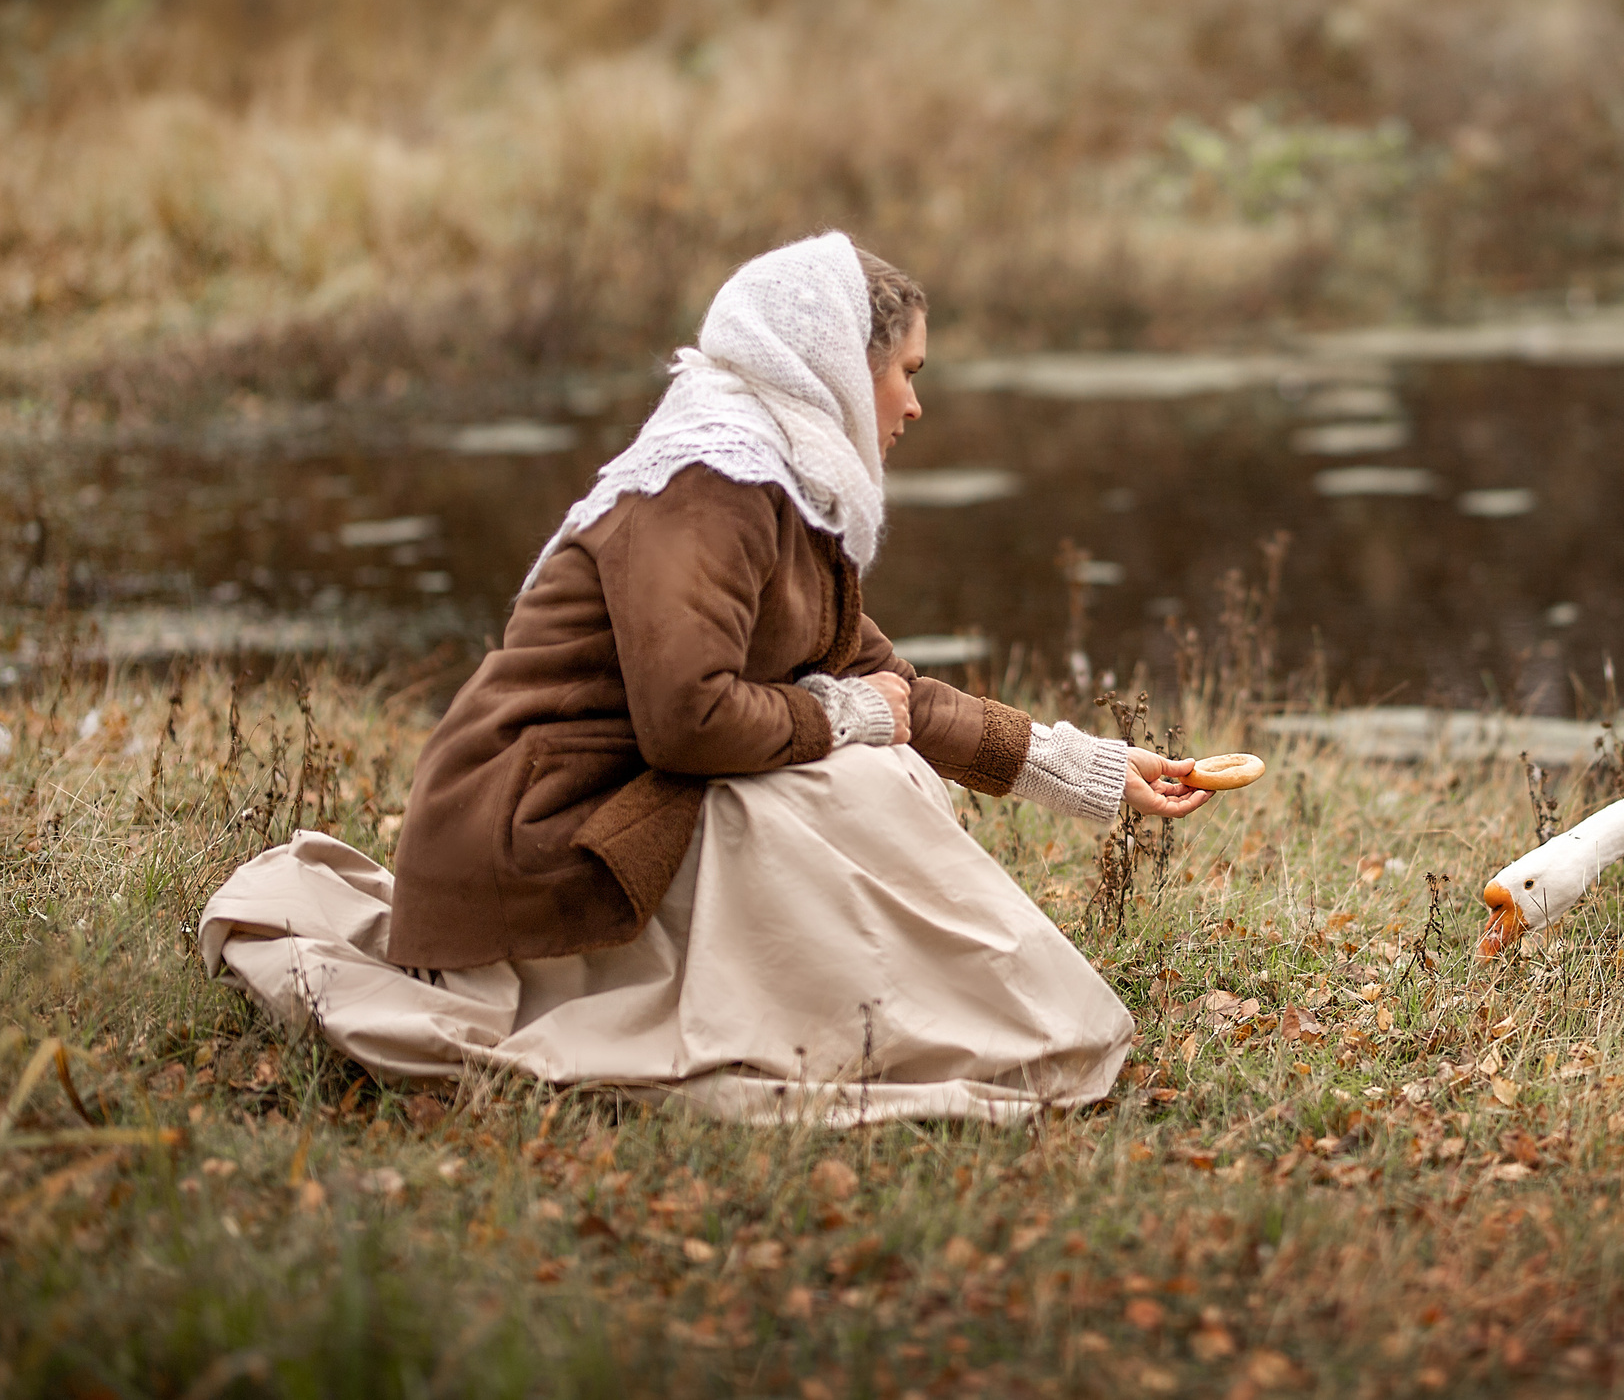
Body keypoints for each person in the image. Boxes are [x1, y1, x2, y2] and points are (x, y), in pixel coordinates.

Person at [200, 233, 1212, 1124]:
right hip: (535, 832)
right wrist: (844, 718)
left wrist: (1088, 769)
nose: (916, 400)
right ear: (839, 366)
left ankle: (891, 1011)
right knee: (853, 775)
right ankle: (868, 1018)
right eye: (904, 370)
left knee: (873, 763)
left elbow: (883, 681)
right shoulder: (708, 485)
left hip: (610, 809)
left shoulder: (785, 483)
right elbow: (689, 722)